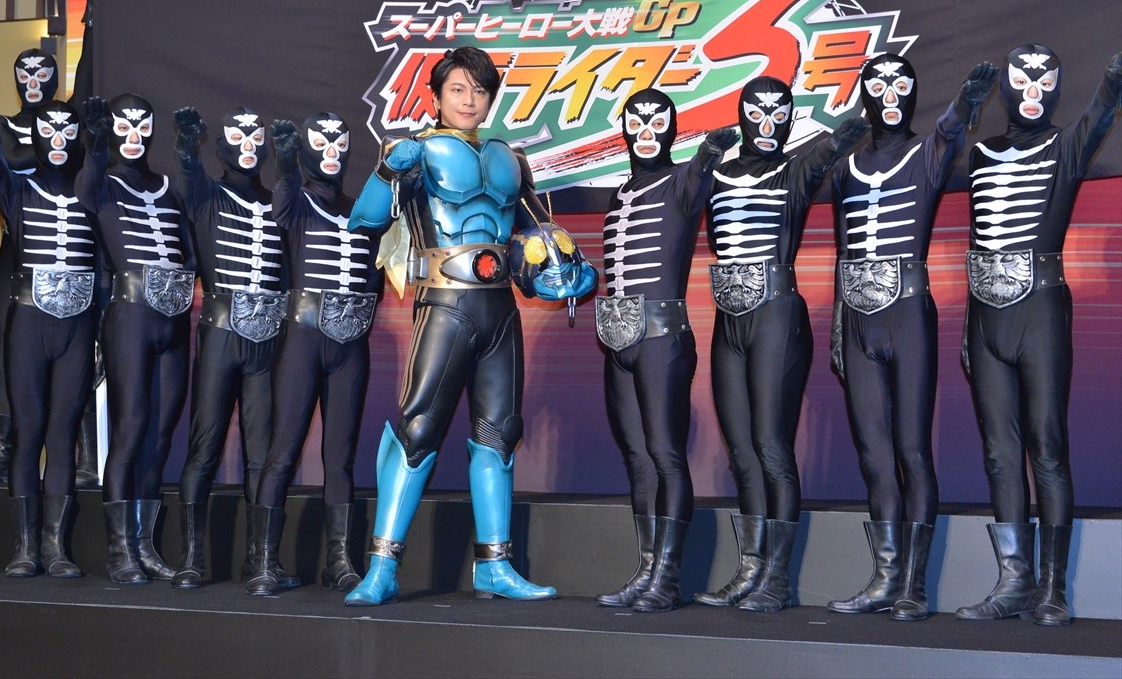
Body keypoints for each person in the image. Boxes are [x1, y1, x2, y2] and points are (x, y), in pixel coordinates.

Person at [343, 46, 597, 606]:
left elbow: (537, 235)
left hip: (498, 311)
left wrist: (562, 271)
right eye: (457, 89)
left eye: (479, 90)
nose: (469, 100)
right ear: (436, 96)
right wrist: (389, 169)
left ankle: (495, 567)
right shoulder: (416, 152)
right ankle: (381, 569)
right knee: (417, 431)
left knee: (499, 435)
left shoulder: (510, 159)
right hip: (443, 305)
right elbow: (364, 220)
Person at [827, 56, 998, 621]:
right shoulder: (846, 166)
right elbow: (843, 249)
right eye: (878, 85)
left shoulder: (927, 151)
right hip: (858, 318)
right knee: (874, 454)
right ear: (865, 96)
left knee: (912, 449)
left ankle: (913, 586)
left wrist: (966, 102)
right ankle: (884, 578)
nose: (890, 94)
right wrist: (838, 324)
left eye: (901, 84)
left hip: (908, 314)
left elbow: (950, 128)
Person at [957, 47, 1121, 627]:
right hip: (985, 317)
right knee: (999, 452)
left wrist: (1112, 81)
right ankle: (1014, 582)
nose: (1032, 90)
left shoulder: (1064, 146)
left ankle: (1053, 588)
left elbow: (1098, 116)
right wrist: (969, 324)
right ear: (1004, 86)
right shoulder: (980, 153)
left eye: (1043, 80)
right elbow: (975, 237)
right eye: (1021, 79)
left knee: (1046, 446)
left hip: (1041, 312)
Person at [693, 76, 869, 613]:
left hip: (777, 316)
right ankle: (750, 569)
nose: (768, 124)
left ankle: (777, 578)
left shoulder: (794, 170)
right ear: (742, 115)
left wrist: (839, 140)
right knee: (742, 453)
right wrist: (703, 156)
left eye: (779, 113)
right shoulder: (718, 173)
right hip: (729, 319)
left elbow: (821, 159)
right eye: (757, 112)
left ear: (791, 119)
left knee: (772, 446)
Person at [0, 0, 102, 488]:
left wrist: (91, 17)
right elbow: (6, 162)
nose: (34, 80)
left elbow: (86, 83)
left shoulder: (66, 123)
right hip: (17, 250)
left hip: (69, 250)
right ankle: (3, 453)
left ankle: (85, 457)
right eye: (25, 72)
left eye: (43, 72)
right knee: (2, 351)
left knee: (81, 350)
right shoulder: (9, 127)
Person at [594, 89, 735, 613]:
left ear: (673, 128)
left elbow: (699, 174)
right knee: (637, 459)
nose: (646, 130)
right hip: (617, 341)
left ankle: (667, 579)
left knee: (666, 455)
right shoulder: (622, 191)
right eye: (636, 121)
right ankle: (647, 570)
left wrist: (709, 152)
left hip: (662, 340)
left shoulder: (682, 181)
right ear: (624, 129)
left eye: (658, 120)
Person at [245, 111, 383, 597]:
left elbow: (375, 274)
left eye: (339, 143)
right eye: (321, 142)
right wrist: (285, 162)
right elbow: (283, 197)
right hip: (301, 339)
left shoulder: (363, 209)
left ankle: (339, 561)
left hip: (351, 344)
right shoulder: (297, 202)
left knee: (340, 458)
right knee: (281, 453)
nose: (331, 151)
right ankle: (264, 563)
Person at [0, 91, 97, 579]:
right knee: (27, 433)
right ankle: (25, 547)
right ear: (36, 137)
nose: (59, 139)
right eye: (49, 130)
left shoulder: (91, 194)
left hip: (77, 328)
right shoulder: (18, 190)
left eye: (68, 130)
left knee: (62, 436)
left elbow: (107, 263)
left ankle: (56, 548)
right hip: (28, 326)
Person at [78, 93, 195, 585]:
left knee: (161, 432)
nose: (133, 134)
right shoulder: (102, 184)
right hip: (129, 317)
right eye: (122, 125)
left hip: (174, 320)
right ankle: (120, 549)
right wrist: (95, 140)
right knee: (130, 427)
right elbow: (86, 184)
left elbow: (190, 251)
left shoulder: (169, 188)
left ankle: (145, 545)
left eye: (141, 124)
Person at [169, 107, 285, 589]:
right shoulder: (207, 195)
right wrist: (185, 143)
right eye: (238, 136)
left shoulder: (279, 201)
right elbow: (189, 172)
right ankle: (192, 559)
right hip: (219, 335)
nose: (248, 145)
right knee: (204, 448)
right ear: (221, 146)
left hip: (268, 342)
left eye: (256, 136)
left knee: (262, 455)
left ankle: (261, 562)